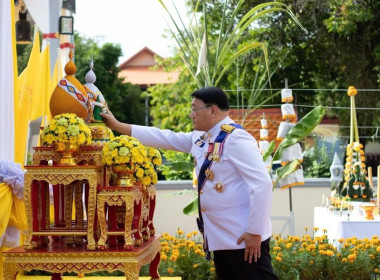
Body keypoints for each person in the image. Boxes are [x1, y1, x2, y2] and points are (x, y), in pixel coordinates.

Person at [100, 87, 278, 280]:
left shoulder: (236, 138)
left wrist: (254, 232)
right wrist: (117, 126)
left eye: (195, 109)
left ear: (212, 110)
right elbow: (163, 136)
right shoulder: (202, 138)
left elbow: (262, 184)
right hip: (221, 237)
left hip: (243, 238)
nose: (191, 114)